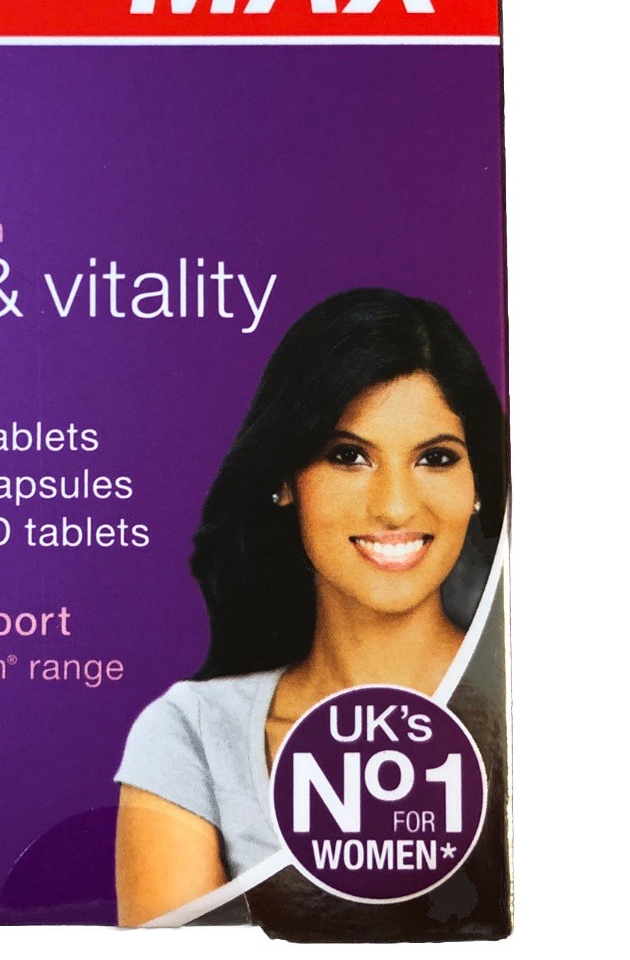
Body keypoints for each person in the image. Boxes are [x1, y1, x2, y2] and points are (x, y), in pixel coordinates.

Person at [114, 287, 507, 927]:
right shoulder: (194, 736)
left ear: (479, 484)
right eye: (348, 456)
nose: (396, 506)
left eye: (436, 458)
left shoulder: (531, 710)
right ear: (284, 479)